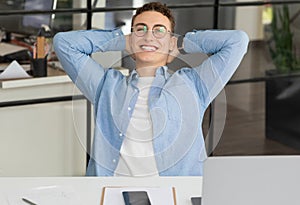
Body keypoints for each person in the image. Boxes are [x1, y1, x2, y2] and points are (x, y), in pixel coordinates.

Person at [53, 2, 249, 177]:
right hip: (112, 189)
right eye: (141, 29)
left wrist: (182, 43)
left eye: (159, 30)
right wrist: (122, 40)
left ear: (171, 40)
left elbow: (237, 41)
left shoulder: (194, 85)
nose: (148, 36)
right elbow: (64, 43)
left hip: (173, 193)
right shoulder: (105, 85)